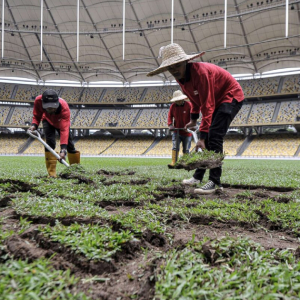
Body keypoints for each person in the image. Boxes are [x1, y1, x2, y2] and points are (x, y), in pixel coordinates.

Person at [147, 43, 244, 194]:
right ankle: (198, 178)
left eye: (177, 65)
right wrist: (193, 120)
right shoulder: (182, 77)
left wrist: (202, 138)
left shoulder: (201, 74)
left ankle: (215, 182)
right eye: (170, 68)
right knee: (208, 139)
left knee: (214, 137)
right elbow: (195, 100)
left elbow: (208, 105)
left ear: (186, 62)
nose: (174, 70)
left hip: (230, 96)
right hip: (216, 100)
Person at [28, 89, 80, 177]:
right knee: (50, 143)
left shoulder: (64, 108)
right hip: (47, 120)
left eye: (53, 107)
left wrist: (63, 150)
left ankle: (76, 171)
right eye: (48, 107)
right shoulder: (38, 101)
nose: (51, 109)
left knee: (70, 145)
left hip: (60, 122)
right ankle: (51, 174)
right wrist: (34, 125)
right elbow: (37, 115)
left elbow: (64, 130)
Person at [167, 90, 192, 168]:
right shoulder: (173, 106)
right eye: (176, 100)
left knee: (186, 149)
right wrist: (170, 124)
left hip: (187, 132)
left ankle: (185, 163)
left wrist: (190, 125)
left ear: (182, 99)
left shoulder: (189, 105)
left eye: (179, 100)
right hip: (176, 131)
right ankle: (174, 162)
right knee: (175, 147)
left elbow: (193, 116)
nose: (177, 101)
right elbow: (169, 116)